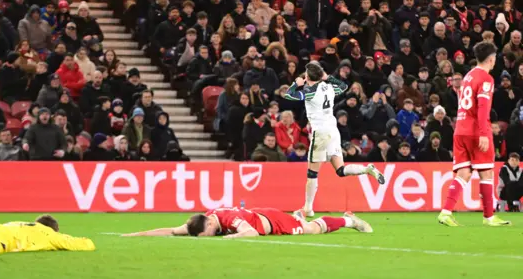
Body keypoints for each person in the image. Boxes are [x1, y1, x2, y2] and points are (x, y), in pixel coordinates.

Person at [284, 62, 385, 217]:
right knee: (340, 170)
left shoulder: (310, 91)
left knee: (312, 173)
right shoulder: (329, 87)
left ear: (308, 76)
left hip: (321, 132)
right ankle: (366, 169)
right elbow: (344, 87)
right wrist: (328, 78)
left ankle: (308, 208)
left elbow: (289, 95)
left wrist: (295, 84)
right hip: (333, 130)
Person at [438, 42, 511, 227]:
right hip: (476, 130)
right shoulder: (486, 78)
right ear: (491, 59)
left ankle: (446, 212)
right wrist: (484, 133)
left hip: (460, 129)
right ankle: (489, 217)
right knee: (487, 173)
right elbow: (482, 107)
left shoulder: (468, 76)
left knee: (464, 173)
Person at [123, 207, 372, 238]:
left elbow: (251, 232)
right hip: (262, 218)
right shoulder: (201, 221)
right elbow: (170, 230)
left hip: (273, 221)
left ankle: (348, 220)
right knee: (304, 224)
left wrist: (230, 238)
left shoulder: (230, 219)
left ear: (210, 225)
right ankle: (299, 213)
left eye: (207, 236)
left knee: (310, 230)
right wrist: (135, 234)